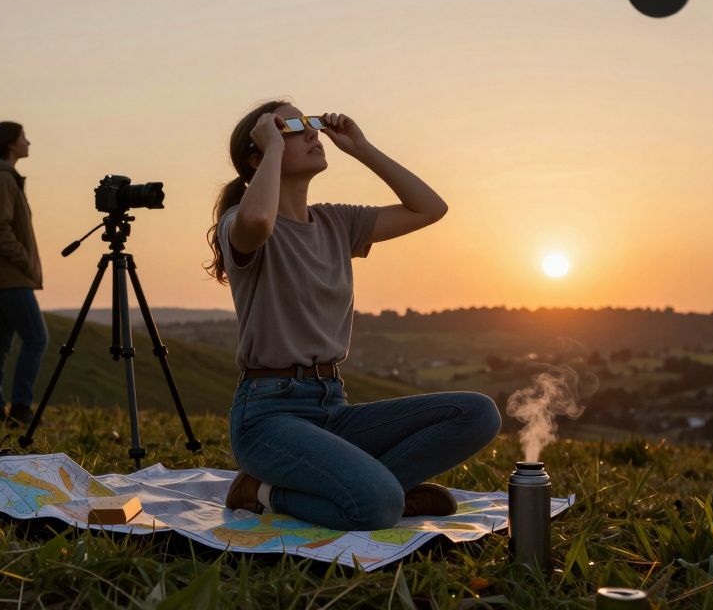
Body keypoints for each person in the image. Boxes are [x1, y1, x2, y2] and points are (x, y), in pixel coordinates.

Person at [208, 100, 501, 531]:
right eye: (292, 126)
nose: (312, 133)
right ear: (260, 151)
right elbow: (257, 219)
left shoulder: (336, 223)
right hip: (268, 415)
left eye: (312, 124)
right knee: (376, 506)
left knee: (478, 413)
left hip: (331, 406)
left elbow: (430, 208)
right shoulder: (241, 222)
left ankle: (374, 485)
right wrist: (271, 148)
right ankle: (262, 492)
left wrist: (360, 147)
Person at [0, 121, 47, 425]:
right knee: (36, 338)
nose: (28, 142)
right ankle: (20, 408)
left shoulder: (1, 177)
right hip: (10, 274)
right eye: (24, 138)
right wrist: (25, 260)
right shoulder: (3, 180)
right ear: (11, 144)